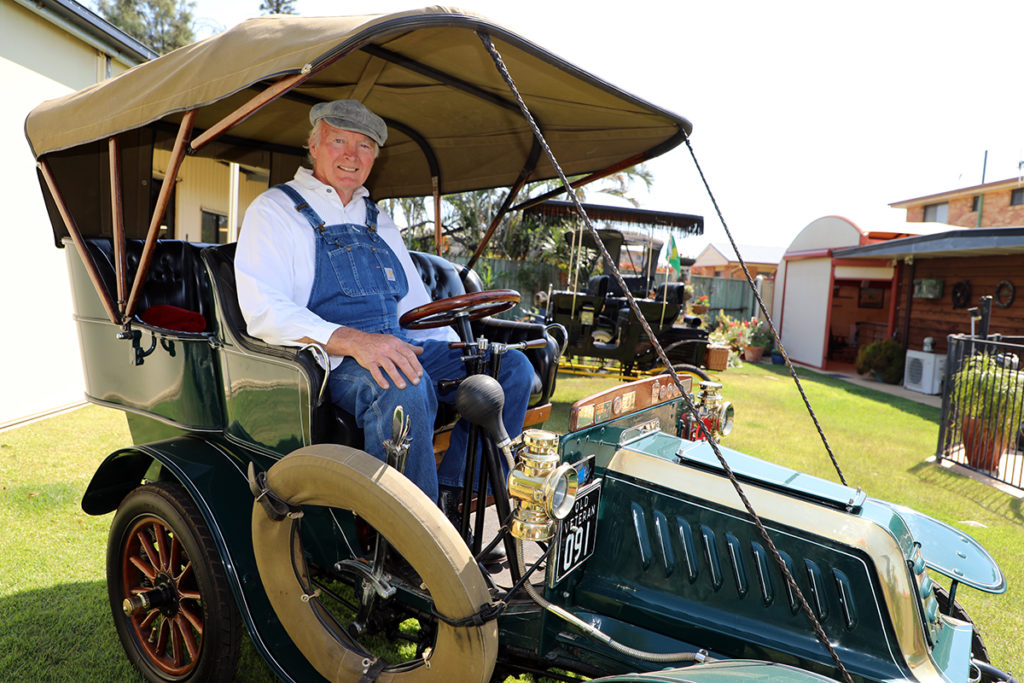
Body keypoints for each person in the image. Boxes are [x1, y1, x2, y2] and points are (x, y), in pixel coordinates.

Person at [234, 99, 533, 507]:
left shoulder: (378, 219)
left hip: (395, 345)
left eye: (365, 146)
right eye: (339, 140)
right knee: (402, 384)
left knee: (510, 366)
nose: (352, 155)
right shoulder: (275, 210)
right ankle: (410, 545)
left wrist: (450, 349)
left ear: (374, 157)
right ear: (313, 145)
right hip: (327, 361)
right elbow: (264, 308)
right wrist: (356, 342)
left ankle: (457, 496)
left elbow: (414, 306)